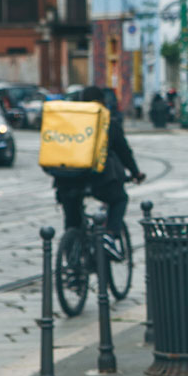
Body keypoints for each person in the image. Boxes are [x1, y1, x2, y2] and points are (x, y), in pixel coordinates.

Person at [53, 86, 146, 259]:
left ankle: (71, 265)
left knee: (72, 222)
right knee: (120, 199)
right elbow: (124, 152)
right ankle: (109, 236)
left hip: (66, 181)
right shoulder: (107, 121)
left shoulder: (70, 121)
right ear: (102, 102)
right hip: (99, 180)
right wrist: (135, 173)